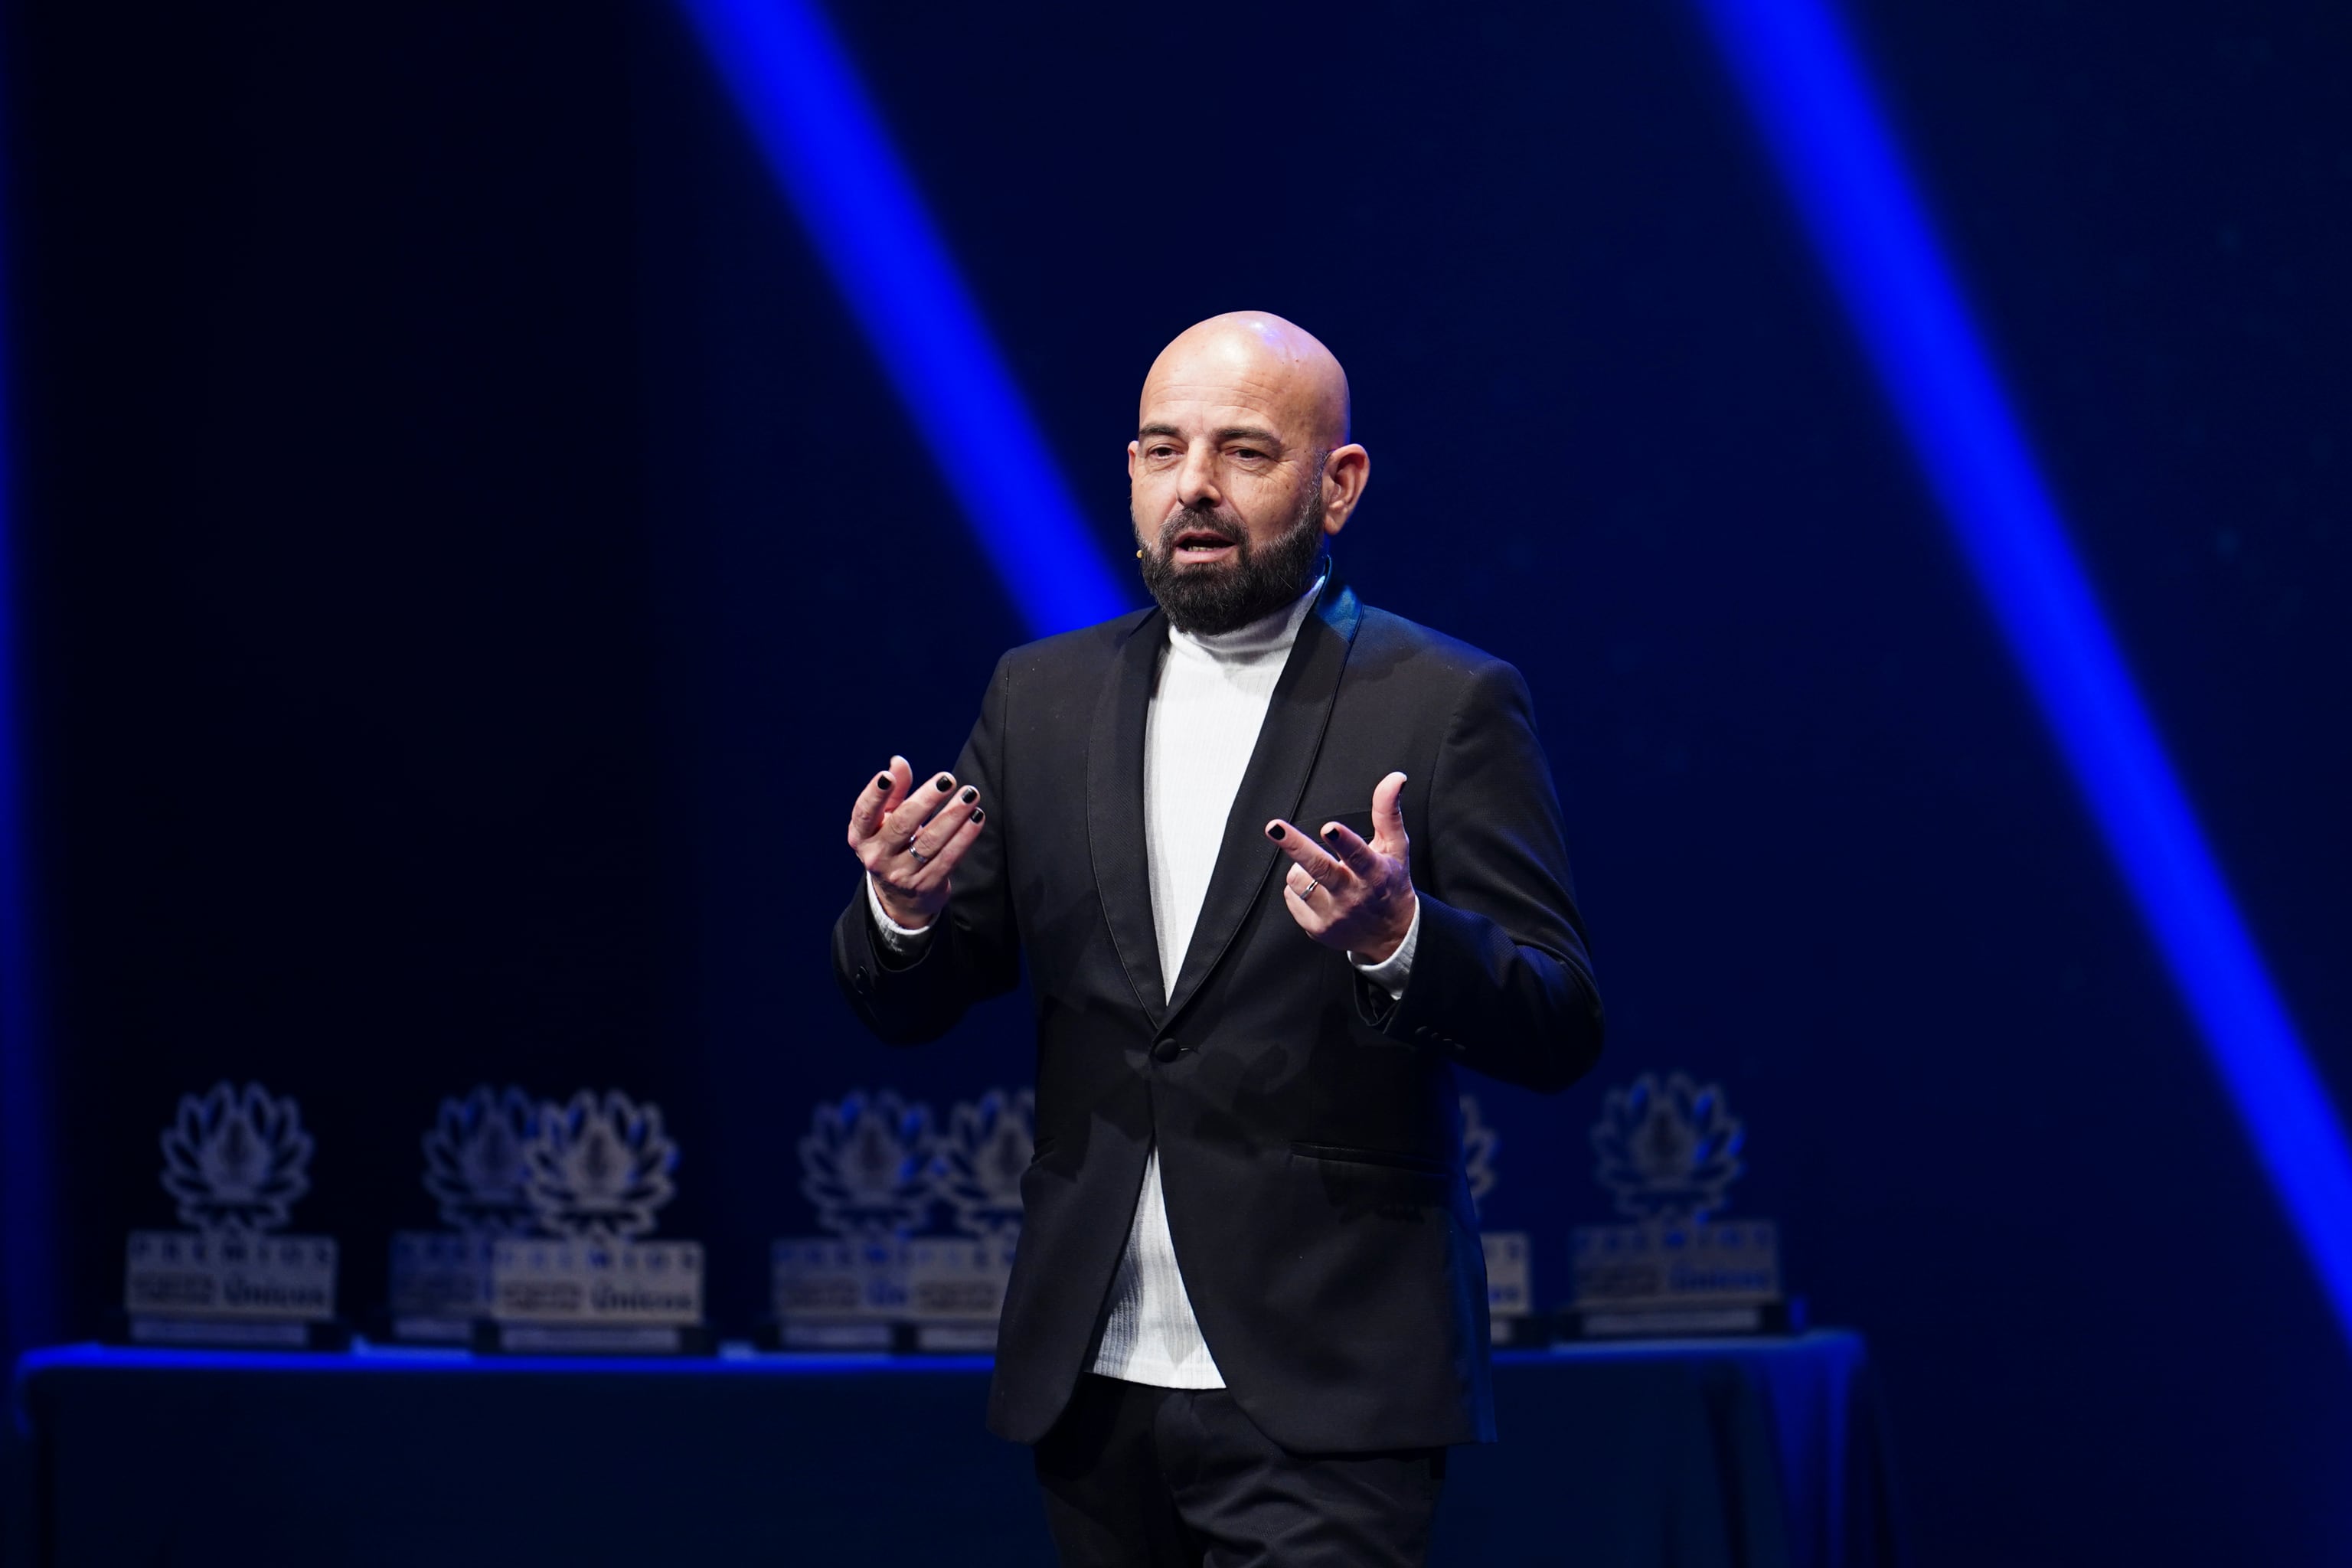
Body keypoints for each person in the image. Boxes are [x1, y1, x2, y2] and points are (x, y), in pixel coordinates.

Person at [832, 312, 1603, 1566]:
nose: (1193, 485)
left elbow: (1561, 1018)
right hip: (1091, 1374)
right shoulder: (1042, 697)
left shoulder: (1446, 702)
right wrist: (903, 914)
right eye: (1160, 449)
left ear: (1337, 485)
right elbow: (914, 995)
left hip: (1328, 1375)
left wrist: (1400, 941)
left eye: (1244, 452)